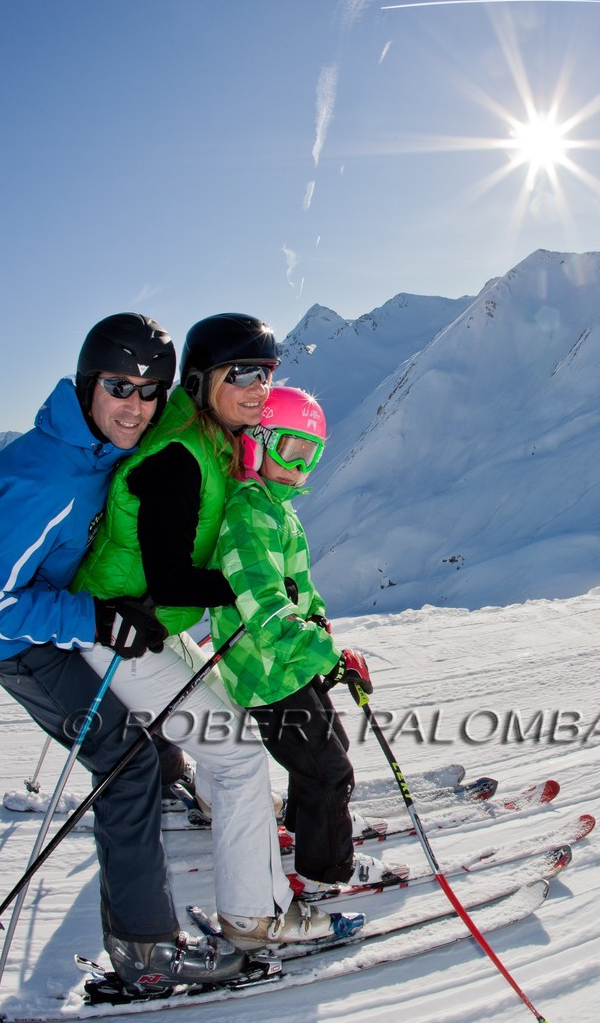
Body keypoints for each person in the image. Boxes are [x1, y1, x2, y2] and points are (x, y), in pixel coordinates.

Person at [0, 313, 248, 990]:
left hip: (66, 607)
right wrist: (94, 617)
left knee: (143, 705)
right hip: (16, 640)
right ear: (89, 384)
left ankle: (168, 789)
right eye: (120, 387)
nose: (136, 407)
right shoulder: (44, 479)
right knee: (124, 757)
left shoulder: (97, 440)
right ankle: (145, 952)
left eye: (151, 391)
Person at [70, 313, 356, 949]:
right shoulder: (177, 457)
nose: (260, 387)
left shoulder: (204, 432)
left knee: (229, 724)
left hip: (146, 626)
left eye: (269, 373)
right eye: (244, 374)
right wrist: (256, 593)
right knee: (240, 758)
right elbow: (171, 580)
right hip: (117, 632)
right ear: (202, 380)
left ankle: (226, 817)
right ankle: (255, 919)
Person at [209, 386, 401, 900]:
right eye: (290, 451)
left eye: (310, 456)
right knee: (329, 771)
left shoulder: (278, 508)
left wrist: (320, 633)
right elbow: (268, 615)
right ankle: (325, 871)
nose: (299, 468)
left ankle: (305, 824)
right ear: (256, 442)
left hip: (289, 662)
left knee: (328, 747)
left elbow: (300, 590)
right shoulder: (248, 517)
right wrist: (328, 654)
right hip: (265, 671)